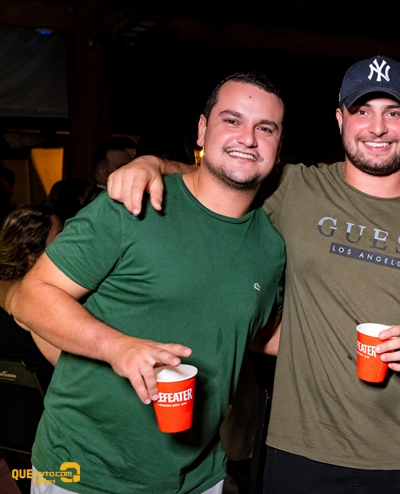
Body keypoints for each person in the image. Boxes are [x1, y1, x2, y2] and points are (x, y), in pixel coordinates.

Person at [107, 55, 400, 494]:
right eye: (362, 111)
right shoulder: (294, 188)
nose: (377, 128)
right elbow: (221, 174)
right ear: (340, 118)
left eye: (392, 113)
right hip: (301, 450)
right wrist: (152, 164)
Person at [9, 71, 287, 494]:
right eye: (232, 120)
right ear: (202, 130)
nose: (247, 138)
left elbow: (257, 330)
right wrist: (116, 347)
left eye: (265, 128)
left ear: (279, 147)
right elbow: (29, 297)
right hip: (84, 474)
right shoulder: (133, 203)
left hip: (198, 477)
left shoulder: (270, 248)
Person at [0, 205, 62, 376]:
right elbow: (69, 369)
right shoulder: (35, 298)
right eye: (60, 237)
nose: (69, 243)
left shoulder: (5, 285)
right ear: (33, 254)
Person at [82, 140, 132, 205]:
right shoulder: (102, 202)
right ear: (103, 173)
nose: (129, 171)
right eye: (122, 167)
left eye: (131, 166)